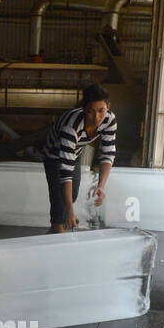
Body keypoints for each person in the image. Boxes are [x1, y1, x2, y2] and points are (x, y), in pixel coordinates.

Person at [41, 83, 117, 232]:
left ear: (108, 106)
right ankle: (57, 229)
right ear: (83, 109)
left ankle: (54, 232)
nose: (97, 118)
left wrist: (101, 186)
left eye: (101, 111)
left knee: (72, 195)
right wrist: (70, 211)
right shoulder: (72, 126)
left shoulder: (110, 120)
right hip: (54, 156)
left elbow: (108, 153)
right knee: (60, 207)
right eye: (91, 112)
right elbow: (65, 173)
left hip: (75, 153)